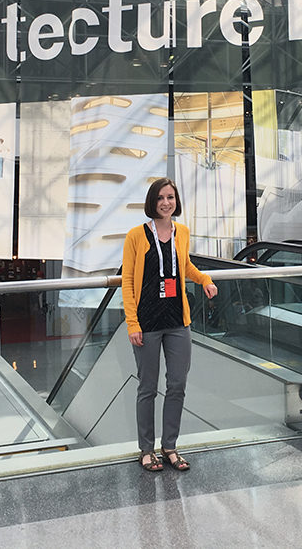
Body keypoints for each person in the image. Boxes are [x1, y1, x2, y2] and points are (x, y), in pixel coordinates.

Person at [121, 178, 218, 473]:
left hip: (177, 321)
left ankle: (170, 447)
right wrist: (132, 323)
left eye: (171, 197)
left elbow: (184, 266)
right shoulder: (136, 236)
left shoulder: (182, 232)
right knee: (148, 388)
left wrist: (204, 279)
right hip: (147, 323)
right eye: (161, 198)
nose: (166, 203)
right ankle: (146, 449)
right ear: (152, 202)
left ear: (176, 201)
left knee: (177, 384)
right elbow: (127, 281)